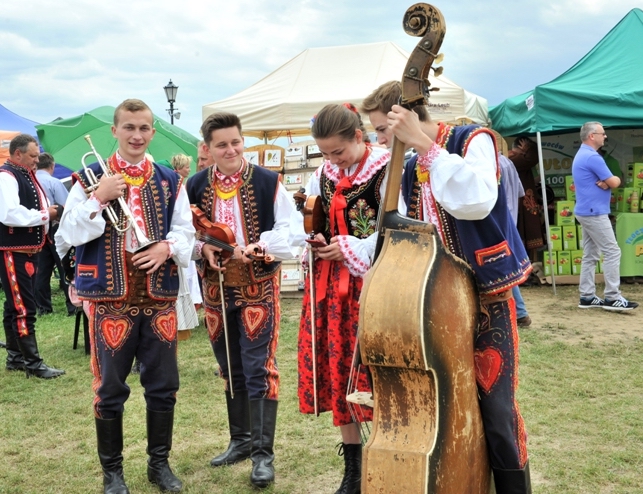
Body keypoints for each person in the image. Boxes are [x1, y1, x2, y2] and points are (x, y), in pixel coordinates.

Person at [363, 81, 532, 493]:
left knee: (496, 408)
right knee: (441, 403)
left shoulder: (472, 140)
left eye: (383, 130)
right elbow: (404, 233)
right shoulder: (406, 169)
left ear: (406, 118)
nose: (379, 140)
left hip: (486, 297)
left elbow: (475, 201)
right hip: (435, 303)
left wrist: (425, 146)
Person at [55, 99, 195, 493]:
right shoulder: (89, 178)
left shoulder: (170, 180)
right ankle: (112, 473)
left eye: (144, 128)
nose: (136, 135)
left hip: (157, 296)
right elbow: (66, 235)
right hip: (109, 297)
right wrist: (98, 198)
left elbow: (185, 230)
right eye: (129, 127)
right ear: (114, 131)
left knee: (164, 384)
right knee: (110, 388)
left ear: (152, 132)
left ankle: (159, 465)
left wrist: (167, 247)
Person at [186, 111, 294, 489]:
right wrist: (202, 248)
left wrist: (260, 245)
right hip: (215, 288)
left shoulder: (267, 181)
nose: (230, 149)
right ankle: (241, 440)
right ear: (208, 148)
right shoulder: (195, 185)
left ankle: (263, 455)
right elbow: (185, 233)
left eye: (235, 142)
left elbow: (289, 229)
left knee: (258, 366)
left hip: (257, 286)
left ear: (242, 140)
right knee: (229, 365)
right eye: (222, 144)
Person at [292, 103, 390, 494]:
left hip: (377, 284)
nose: (333, 160)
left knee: (379, 372)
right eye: (325, 153)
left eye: (338, 151)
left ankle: (389, 461)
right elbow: (310, 224)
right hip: (332, 290)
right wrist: (316, 240)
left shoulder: (387, 169)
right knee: (340, 373)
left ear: (359, 136)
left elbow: (394, 228)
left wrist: (352, 247)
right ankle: (354, 470)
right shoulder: (322, 175)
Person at [0, 134, 66, 379]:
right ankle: (33, 363)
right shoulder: (7, 176)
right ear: (18, 154)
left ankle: (16, 358)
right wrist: (45, 215)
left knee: (14, 306)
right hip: (13, 250)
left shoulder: (24, 174)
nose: (37, 160)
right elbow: (9, 214)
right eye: (33, 156)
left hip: (27, 250)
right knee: (23, 307)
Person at [572, 122, 638, 311]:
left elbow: (609, 182)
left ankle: (587, 296)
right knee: (612, 251)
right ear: (592, 136)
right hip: (594, 212)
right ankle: (612, 297)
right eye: (603, 133)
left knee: (590, 254)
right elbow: (616, 181)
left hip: (586, 210)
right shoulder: (593, 157)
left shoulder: (582, 154)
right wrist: (611, 181)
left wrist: (608, 182)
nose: (605, 136)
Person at [34, 152, 76, 316]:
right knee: (64, 265)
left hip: (37, 228)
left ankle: (43, 307)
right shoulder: (54, 182)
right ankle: (72, 305)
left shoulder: (31, 181)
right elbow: (66, 207)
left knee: (41, 270)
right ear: (52, 166)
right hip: (56, 227)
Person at [498, 147, 532, 327]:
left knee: (504, 265)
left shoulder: (491, 164)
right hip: (510, 219)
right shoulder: (507, 162)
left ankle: (520, 312)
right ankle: (520, 313)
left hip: (497, 221)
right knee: (508, 262)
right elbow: (520, 192)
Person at [507, 136, 546, 259]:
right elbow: (533, 157)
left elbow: (533, 157)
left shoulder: (518, 160)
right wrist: (527, 151)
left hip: (520, 205)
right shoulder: (512, 160)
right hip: (516, 206)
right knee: (520, 237)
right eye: (525, 149)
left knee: (524, 237)